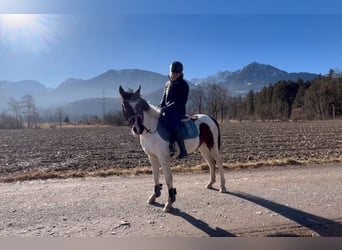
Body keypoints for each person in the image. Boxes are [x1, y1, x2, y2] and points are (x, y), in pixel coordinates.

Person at [159, 61, 189, 159]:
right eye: (173, 72)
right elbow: (163, 99)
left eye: (177, 73)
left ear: (180, 73)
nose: (174, 75)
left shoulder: (184, 85)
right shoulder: (167, 84)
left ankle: (183, 151)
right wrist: (159, 107)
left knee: (171, 121)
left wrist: (167, 108)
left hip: (178, 111)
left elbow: (181, 102)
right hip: (167, 110)